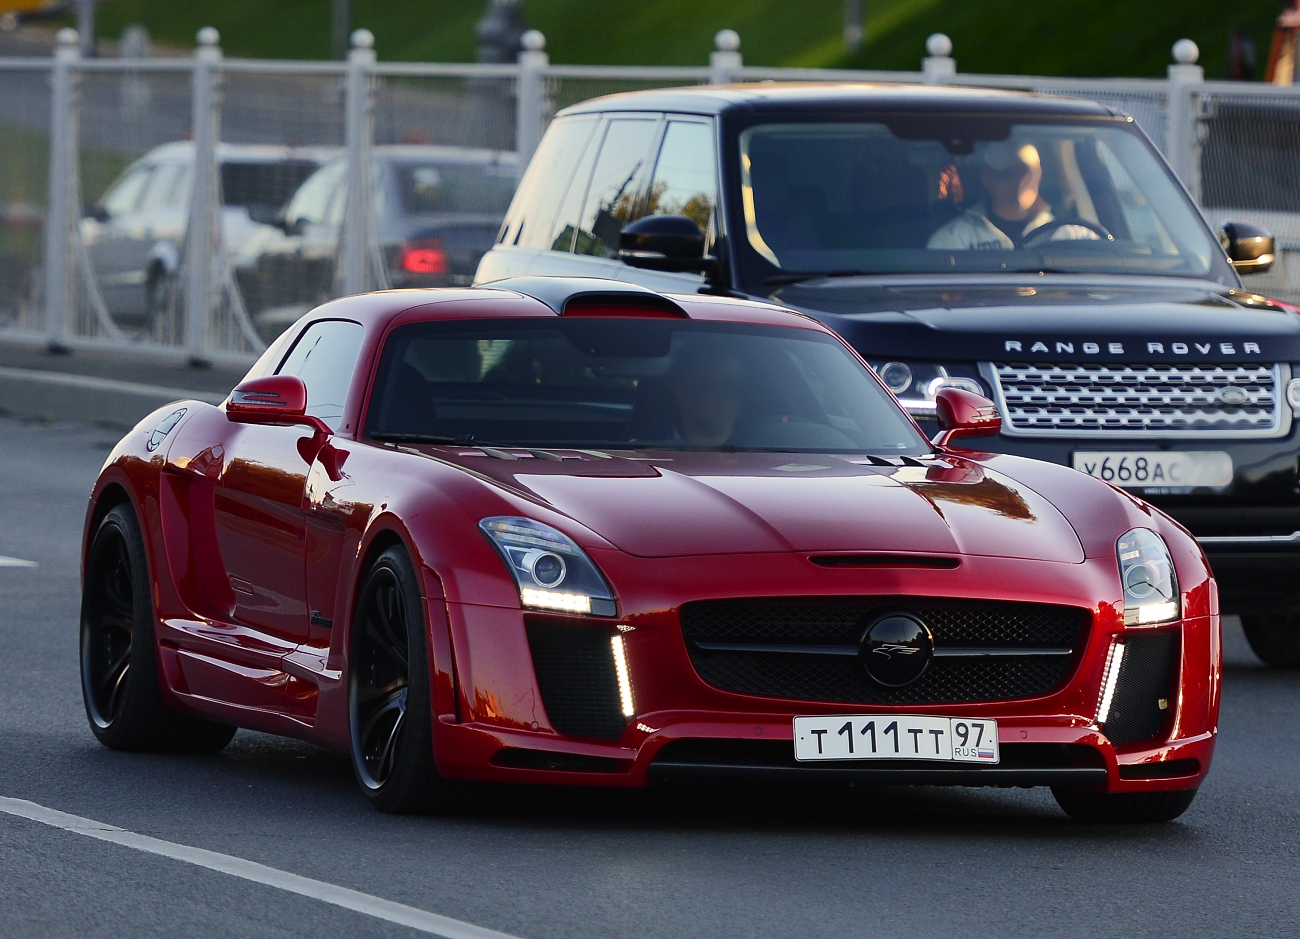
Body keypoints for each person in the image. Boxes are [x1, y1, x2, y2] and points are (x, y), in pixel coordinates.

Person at [927, 141, 1100, 251]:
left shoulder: (1076, 237)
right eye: (1005, 173)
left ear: (1038, 174)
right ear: (987, 178)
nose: (1018, 181)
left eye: (1024, 171)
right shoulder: (954, 240)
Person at [667, 344, 745, 446]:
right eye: (706, 384)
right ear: (678, 389)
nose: (720, 394)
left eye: (731, 385)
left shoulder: (761, 440)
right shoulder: (647, 446)